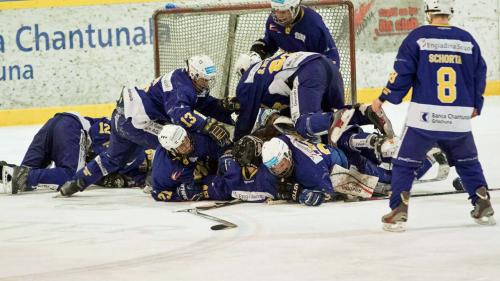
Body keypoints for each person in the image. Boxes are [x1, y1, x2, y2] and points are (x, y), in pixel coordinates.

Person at [371, 0, 495, 231]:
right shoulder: (467, 40)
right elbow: (480, 73)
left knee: (404, 163)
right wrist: (476, 103)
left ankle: (399, 209)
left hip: (425, 117)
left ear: (428, 13)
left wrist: (383, 97)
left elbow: (402, 72)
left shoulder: (418, 37)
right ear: (450, 13)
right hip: (458, 116)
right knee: (468, 162)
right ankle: (482, 202)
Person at [58, 55, 235, 197]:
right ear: (194, 75)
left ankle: (75, 183)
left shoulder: (185, 80)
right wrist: (208, 125)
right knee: (172, 141)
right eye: (204, 80)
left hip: (122, 116)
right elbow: (181, 115)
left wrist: (222, 106)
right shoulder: (181, 87)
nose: (207, 84)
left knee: (113, 158)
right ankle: (153, 183)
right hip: (136, 123)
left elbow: (202, 103)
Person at [0, 113, 147, 194]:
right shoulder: (127, 138)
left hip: (56, 124)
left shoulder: (138, 164)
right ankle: (20, 175)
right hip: (71, 128)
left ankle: (4, 172)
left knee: (22, 177)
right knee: (71, 176)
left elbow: (133, 179)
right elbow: (97, 139)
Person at [234, 52, 345, 142]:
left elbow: (245, 121)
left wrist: (235, 145)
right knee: (340, 123)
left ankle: (332, 119)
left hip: (308, 74)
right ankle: (359, 114)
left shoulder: (248, 81)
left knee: (303, 124)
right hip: (327, 66)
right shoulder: (267, 70)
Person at [234, 0, 340, 75]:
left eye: (283, 11)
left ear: (294, 8)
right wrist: (257, 54)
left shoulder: (313, 25)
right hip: (291, 68)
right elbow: (271, 42)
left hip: (313, 72)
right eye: (276, 10)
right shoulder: (272, 22)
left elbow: (330, 56)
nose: (279, 16)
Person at [150, 124, 224, 202]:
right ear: (172, 150)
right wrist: (179, 193)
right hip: (191, 181)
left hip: (205, 167)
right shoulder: (162, 170)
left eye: (185, 139)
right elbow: (157, 192)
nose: (188, 146)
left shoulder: (195, 137)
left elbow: (220, 149)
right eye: (181, 146)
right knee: (216, 188)